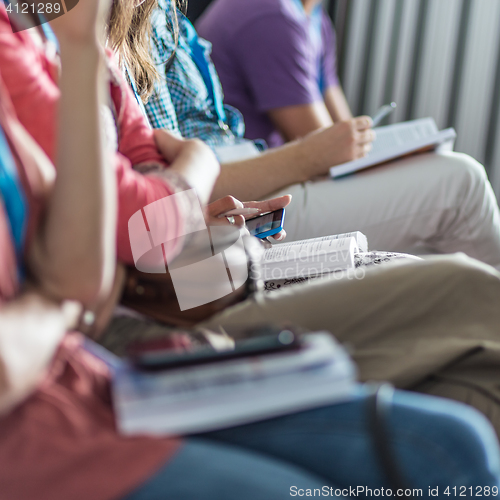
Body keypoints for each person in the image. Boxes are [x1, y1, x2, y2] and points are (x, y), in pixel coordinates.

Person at [3, 5, 500, 500]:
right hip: (145, 308)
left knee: (461, 393)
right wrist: (195, 168)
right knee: (468, 277)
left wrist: (187, 202)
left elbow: (150, 192)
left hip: (188, 272)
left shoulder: (77, 40)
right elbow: (140, 220)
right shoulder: (43, 41)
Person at [144, 0, 500, 269]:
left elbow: (344, 135)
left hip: (253, 164)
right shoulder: (270, 16)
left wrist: (388, 153)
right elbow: (323, 146)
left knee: (439, 193)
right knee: (462, 180)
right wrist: (332, 153)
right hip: (251, 183)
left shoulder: (313, 20)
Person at [196, 0, 352, 147]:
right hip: (245, 164)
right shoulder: (272, 17)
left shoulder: (316, 18)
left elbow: (344, 130)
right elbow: (325, 148)